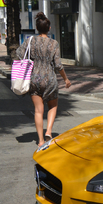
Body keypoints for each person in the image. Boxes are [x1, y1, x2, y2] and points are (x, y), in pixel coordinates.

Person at [16, 12, 71, 147]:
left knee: (38, 110)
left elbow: (18, 55)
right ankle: (49, 132)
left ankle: (40, 141)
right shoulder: (54, 43)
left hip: (34, 78)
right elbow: (58, 65)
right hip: (50, 79)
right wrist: (66, 79)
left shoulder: (30, 41)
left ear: (37, 28)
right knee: (53, 106)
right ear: (49, 28)